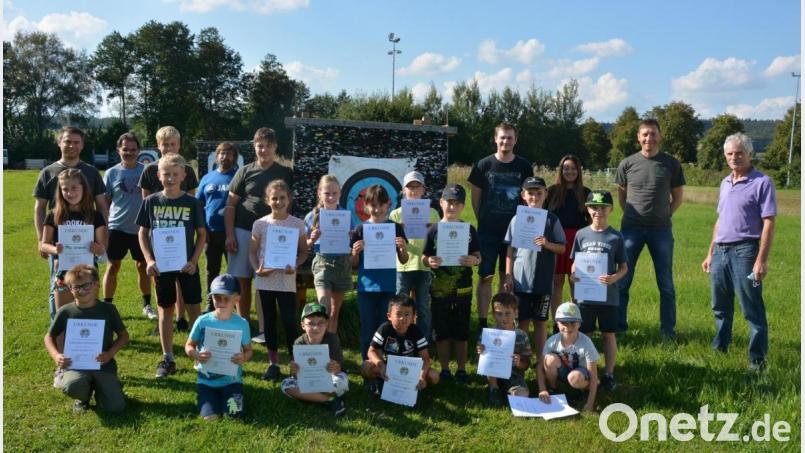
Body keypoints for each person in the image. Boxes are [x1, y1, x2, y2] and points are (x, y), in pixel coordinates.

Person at [702, 133, 776, 372]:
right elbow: (720, 220)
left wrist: (761, 260)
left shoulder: (762, 182)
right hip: (721, 252)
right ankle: (720, 348)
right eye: (730, 154)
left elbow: (769, 222)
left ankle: (757, 361)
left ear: (749, 154)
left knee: (751, 308)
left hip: (746, 251)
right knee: (720, 306)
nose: (734, 157)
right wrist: (710, 253)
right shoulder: (725, 183)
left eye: (739, 153)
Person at [136, 154, 207, 378]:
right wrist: (149, 260)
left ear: (183, 176)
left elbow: (202, 235)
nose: (171, 178)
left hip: (186, 265)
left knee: (195, 307)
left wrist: (194, 261)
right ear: (158, 175)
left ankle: (199, 354)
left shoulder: (192, 202)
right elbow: (143, 233)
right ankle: (168, 358)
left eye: (175, 174)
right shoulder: (151, 201)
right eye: (166, 174)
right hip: (162, 266)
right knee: (165, 309)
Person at [616, 119, 685, 338]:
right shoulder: (627, 163)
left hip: (661, 231)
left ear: (660, 136)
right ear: (638, 137)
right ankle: (619, 327)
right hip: (631, 229)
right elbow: (622, 195)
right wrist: (632, 214)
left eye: (653, 134)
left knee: (665, 284)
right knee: (622, 281)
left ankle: (668, 332)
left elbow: (678, 197)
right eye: (645, 134)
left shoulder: (671, 164)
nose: (649, 138)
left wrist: (665, 214)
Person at [225, 127, 293, 340]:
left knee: (264, 281)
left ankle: (264, 330)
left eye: (268, 146)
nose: (263, 150)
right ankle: (243, 325)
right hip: (243, 230)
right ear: (254, 147)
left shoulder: (285, 172)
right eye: (259, 146)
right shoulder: (244, 171)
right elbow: (230, 205)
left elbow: (289, 206)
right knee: (242, 280)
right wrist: (230, 235)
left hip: (273, 235)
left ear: (275, 147)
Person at [33, 126, 108, 318]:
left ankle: (86, 330)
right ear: (59, 143)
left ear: (82, 145)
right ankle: (57, 326)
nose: (71, 145)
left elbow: (102, 206)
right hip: (60, 243)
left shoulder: (91, 172)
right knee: (58, 285)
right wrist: (42, 242)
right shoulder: (48, 172)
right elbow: (40, 208)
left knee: (87, 286)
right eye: (67, 141)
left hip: (86, 247)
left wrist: (103, 243)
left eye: (76, 142)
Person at [468, 122, 533, 330]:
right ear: (495, 139)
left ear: (516, 140)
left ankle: (505, 322)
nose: (506, 141)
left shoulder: (524, 166)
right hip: (488, 231)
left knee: (508, 279)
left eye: (510, 137)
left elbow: (528, 198)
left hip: (515, 233)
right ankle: (483, 322)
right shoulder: (483, 165)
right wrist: (483, 219)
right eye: (502, 137)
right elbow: (475, 197)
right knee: (485, 276)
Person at [138, 125, 199, 332]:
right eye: (165, 145)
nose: (169, 148)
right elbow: (145, 203)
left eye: (173, 144)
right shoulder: (149, 170)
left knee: (183, 280)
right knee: (161, 281)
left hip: (182, 234)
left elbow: (191, 199)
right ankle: (165, 319)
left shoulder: (187, 170)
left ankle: (181, 318)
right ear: (158, 146)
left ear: (179, 144)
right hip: (159, 234)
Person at [44, 264, 129, 413]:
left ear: (96, 285)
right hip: (76, 365)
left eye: (86, 285)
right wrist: (56, 355)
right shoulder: (66, 311)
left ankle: (109, 388)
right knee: (72, 386)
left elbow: (124, 336)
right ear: (70, 289)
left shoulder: (108, 309)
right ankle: (83, 396)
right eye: (76, 287)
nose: (82, 291)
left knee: (116, 407)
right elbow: (49, 337)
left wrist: (110, 354)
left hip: (103, 365)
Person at [248, 180, 308, 381]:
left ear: (288, 200)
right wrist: (257, 268)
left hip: (286, 281)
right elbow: (252, 252)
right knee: (270, 323)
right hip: (265, 280)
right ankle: (273, 364)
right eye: (274, 198)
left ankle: (294, 364)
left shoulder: (298, 224)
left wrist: (296, 265)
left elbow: (304, 253)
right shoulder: (260, 224)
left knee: (290, 322)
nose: (278, 201)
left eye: (282, 198)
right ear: (267, 200)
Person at [421, 183, 480, 384]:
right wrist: (428, 261)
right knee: (441, 331)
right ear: (441, 203)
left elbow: (478, 255)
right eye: (449, 202)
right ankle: (445, 369)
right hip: (439, 290)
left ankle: (462, 369)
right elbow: (424, 256)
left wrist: (475, 261)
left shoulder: (469, 230)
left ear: (463, 206)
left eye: (457, 203)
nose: (452, 207)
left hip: (463, 289)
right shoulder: (433, 230)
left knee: (461, 331)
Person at [569, 190, 628, 391]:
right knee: (584, 334)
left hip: (608, 296)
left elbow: (624, 268)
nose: (598, 211)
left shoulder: (615, 236)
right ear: (587, 209)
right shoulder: (581, 234)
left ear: (611, 209)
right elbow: (574, 263)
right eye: (594, 207)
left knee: (608, 334)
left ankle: (609, 373)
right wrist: (574, 275)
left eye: (603, 207)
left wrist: (613, 278)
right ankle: (586, 371)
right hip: (585, 296)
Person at [503, 176, 566, 357]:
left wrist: (547, 244)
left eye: (539, 193)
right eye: (530, 193)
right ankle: (522, 359)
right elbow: (510, 249)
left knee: (540, 321)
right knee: (522, 321)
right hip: (520, 280)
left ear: (545, 194)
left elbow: (562, 248)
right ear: (523, 195)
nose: (534, 197)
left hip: (542, 280)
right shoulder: (517, 219)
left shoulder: (552, 220)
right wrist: (508, 274)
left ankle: (542, 358)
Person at [350, 184, 409, 362]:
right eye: (372, 205)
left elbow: (404, 260)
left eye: (379, 205)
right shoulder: (360, 229)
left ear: (387, 205)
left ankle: (387, 365)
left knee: (386, 329)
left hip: (388, 287)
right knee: (368, 329)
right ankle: (368, 366)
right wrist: (354, 253)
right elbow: (353, 265)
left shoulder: (396, 228)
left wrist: (402, 248)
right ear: (366, 206)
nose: (375, 209)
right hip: (366, 288)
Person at [185, 274, 252, 420]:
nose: (221, 301)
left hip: (233, 381)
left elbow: (248, 350)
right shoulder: (202, 321)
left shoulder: (242, 323)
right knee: (210, 418)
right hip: (206, 381)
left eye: (226, 298)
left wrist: (243, 357)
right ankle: (208, 401)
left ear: (237, 298)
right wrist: (196, 355)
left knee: (234, 416)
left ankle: (231, 397)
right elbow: (189, 345)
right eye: (216, 297)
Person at [102, 132, 155, 319]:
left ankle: (147, 305)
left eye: (133, 149)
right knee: (112, 266)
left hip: (141, 229)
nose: (129, 153)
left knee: (143, 266)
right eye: (125, 149)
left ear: (139, 151)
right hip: (117, 227)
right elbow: (105, 202)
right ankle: (107, 306)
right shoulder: (111, 173)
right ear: (119, 150)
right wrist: (103, 227)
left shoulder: (147, 171)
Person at [39, 169, 107, 311]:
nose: (70, 193)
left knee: (87, 315)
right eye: (65, 189)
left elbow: (102, 247)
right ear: (60, 191)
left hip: (88, 273)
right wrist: (54, 249)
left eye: (74, 188)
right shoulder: (54, 215)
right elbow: (43, 245)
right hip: (63, 271)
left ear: (84, 188)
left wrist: (98, 249)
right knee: (63, 316)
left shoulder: (95, 216)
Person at [389, 171, 441, 339]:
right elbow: (389, 244)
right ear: (403, 190)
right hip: (402, 266)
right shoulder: (395, 215)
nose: (413, 190)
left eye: (417, 186)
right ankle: (398, 341)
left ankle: (423, 343)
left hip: (424, 266)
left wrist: (432, 229)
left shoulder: (433, 214)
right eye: (410, 187)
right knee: (399, 307)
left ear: (423, 190)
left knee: (424, 308)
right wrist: (399, 231)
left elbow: (438, 241)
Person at [360, 295, 439, 396]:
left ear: (413, 317)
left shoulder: (416, 331)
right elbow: (371, 351)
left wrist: (422, 376)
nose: (402, 318)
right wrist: (380, 364)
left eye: (407, 314)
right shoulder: (384, 329)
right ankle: (379, 382)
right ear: (389, 316)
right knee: (365, 367)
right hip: (389, 367)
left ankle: (417, 386)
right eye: (398, 314)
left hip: (411, 370)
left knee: (434, 376)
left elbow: (426, 359)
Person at [304, 175, 354, 333]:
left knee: (334, 312)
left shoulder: (346, 215)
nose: (331, 197)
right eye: (327, 193)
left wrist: (352, 237)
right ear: (319, 193)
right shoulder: (312, 216)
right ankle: (316, 346)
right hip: (322, 264)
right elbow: (302, 245)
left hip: (342, 264)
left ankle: (331, 347)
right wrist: (311, 240)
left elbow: (353, 242)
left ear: (340, 193)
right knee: (322, 309)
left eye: (334, 193)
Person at [280, 302, 348, 416]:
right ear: (303, 325)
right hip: (307, 379)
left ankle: (311, 397)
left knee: (340, 382)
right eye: (311, 323)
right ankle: (329, 400)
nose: (316, 327)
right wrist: (294, 370)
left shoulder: (332, 339)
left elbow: (338, 370)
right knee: (286, 385)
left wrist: (334, 367)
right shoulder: (299, 342)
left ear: (326, 324)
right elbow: (296, 376)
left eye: (321, 323)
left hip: (329, 378)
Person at [546, 155, 591, 324]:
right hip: (557, 241)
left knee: (575, 282)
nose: (570, 172)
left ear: (578, 171)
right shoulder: (551, 192)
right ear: (561, 170)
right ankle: (557, 321)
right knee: (557, 281)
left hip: (578, 241)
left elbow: (592, 220)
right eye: (566, 168)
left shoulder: (586, 193)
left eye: (573, 168)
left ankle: (574, 320)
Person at [197, 142, 238, 312]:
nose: (224, 156)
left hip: (232, 233)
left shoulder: (238, 177)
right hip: (210, 233)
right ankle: (210, 301)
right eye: (221, 153)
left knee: (234, 272)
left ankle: (234, 304)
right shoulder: (207, 178)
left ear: (234, 157)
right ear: (216, 156)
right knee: (210, 270)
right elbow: (199, 204)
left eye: (228, 153)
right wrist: (202, 230)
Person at [537, 302, 598, 412]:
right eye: (564, 323)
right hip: (563, 371)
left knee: (574, 378)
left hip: (581, 374)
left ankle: (583, 390)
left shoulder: (586, 343)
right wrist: (542, 389)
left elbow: (593, 374)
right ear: (557, 323)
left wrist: (590, 403)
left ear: (579, 324)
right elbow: (540, 366)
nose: (568, 327)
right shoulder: (551, 342)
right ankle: (553, 389)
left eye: (573, 323)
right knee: (549, 359)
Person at [476, 292, 532, 407]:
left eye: (507, 313)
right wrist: (480, 352)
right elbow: (479, 362)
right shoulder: (488, 335)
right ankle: (493, 388)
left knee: (522, 395)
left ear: (516, 313)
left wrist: (519, 362)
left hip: (514, 375)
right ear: (493, 314)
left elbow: (526, 365)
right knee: (492, 368)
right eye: (499, 314)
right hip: (492, 375)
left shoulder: (521, 336)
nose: (503, 318)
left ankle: (509, 390)